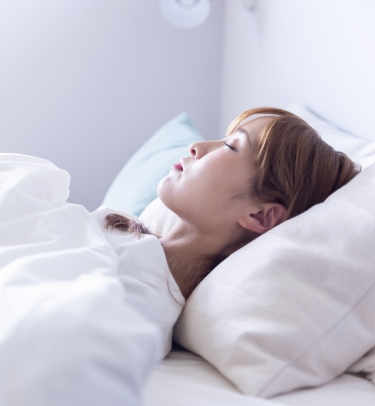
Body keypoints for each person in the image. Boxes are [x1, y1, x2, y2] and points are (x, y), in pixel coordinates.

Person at [91, 107, 361, 358]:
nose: (197, 147)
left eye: (231, 146)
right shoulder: (119, 224)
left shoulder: (140, 306)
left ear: (260, 216)